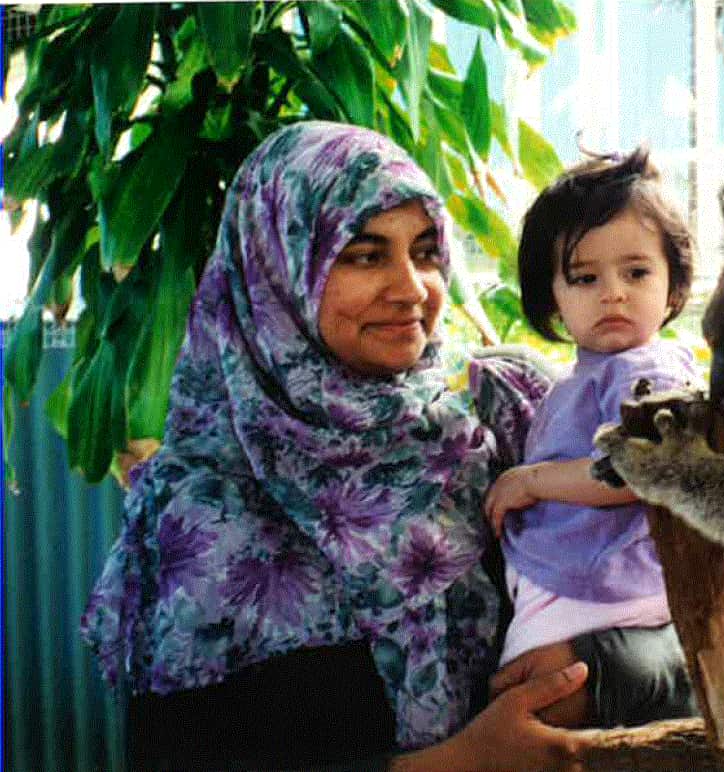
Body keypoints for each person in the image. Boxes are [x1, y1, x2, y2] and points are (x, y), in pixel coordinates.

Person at [79, 121, 592, 770]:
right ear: (277, 268)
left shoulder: (503, 425)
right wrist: (456, 764)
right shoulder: (196, 512)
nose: (411, 290)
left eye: (427, 252)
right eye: (365, 254)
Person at [483, 148, 700, 729]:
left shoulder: (643, 371)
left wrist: (531, 482)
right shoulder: (590, 375)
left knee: (532, 722)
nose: (613, 293)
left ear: (674, 287)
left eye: (637, 273)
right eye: (585, 277)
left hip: (599, 595)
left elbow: (644, 468)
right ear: (552, 297)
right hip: (581, 584)